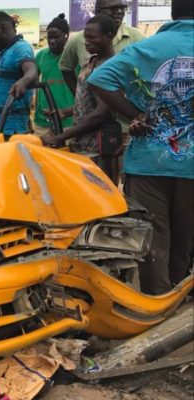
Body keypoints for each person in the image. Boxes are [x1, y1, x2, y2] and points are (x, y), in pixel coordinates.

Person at [87, 0, 194, 295]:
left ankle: (158, 306)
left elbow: (99, 79)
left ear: (173, 13)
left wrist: (134, 113)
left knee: (152, 242)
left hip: (149, 160)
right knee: (184, 240)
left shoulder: (149, 46)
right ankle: (180, 298)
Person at [42, 16, 118, 183]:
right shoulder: (92, 62)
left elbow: (100, 113)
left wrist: (61, 136)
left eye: (92, 38)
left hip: (98, 149)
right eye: (85, 37)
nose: (86, 42)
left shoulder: (111, 67)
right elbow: (88, 100)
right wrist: (66, 111)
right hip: (82, 145)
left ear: (109, 36)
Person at [60, 0, 144, 95]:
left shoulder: (137, 37)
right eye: (113, 8)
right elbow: (66, 67)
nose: (120, 12)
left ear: (109, 37)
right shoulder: (77, 39)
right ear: (98, 12)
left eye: (122, 8)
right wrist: (80, 96)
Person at [0, 11, 38, 142]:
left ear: (4, 28)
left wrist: (23, 82)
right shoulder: (3, 51)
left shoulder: (21, 48)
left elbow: (32, 71)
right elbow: (5, 76)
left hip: (9, 130)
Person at [33, 14, 75, 136]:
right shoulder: (41, 56)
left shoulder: (73, 56)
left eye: (56, 37)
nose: (52, 41)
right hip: (43, 120)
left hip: (69, 121)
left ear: (66, 36)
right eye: (49, 37)